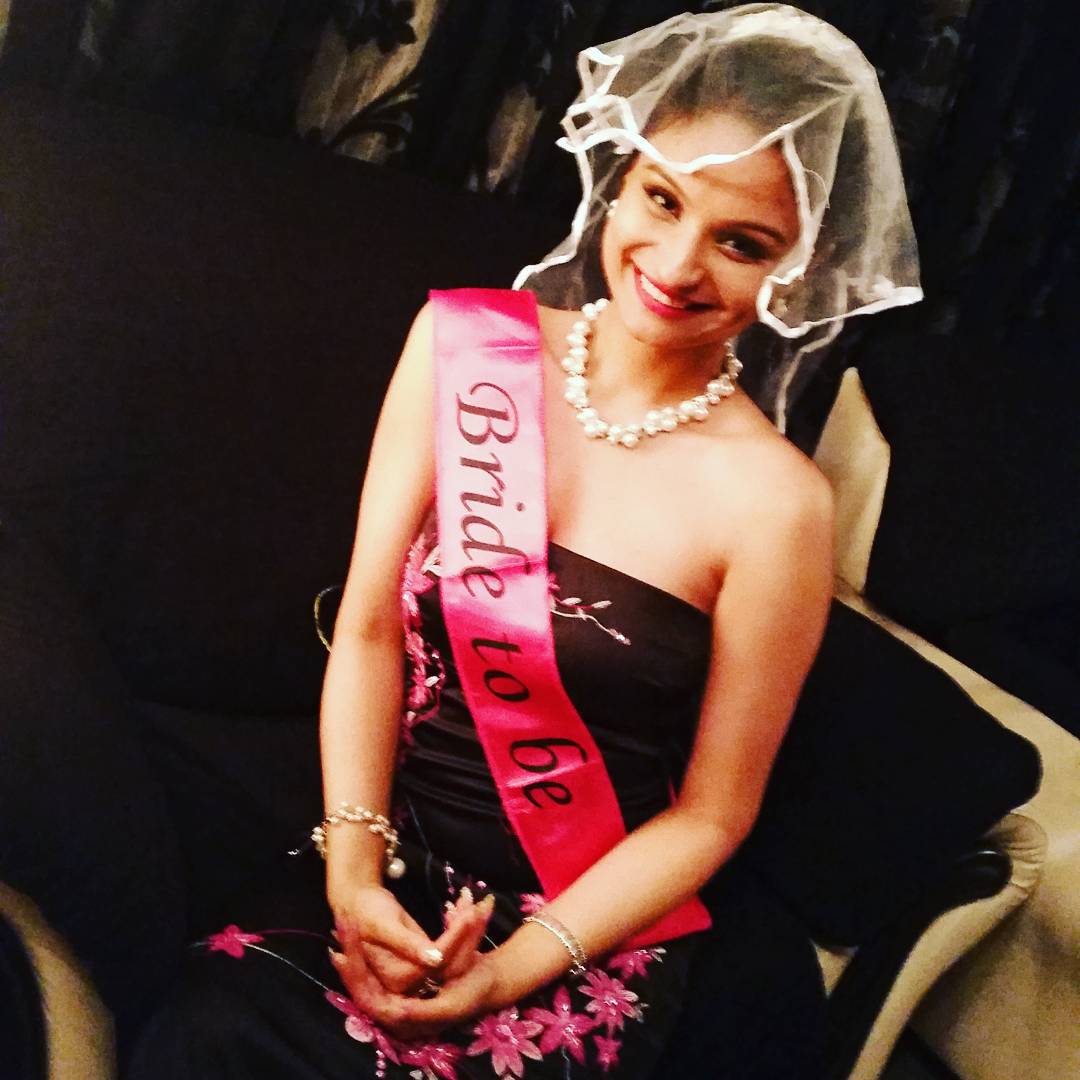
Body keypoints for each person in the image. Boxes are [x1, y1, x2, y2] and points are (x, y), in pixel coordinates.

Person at [128, 6, 920, 1078]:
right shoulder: (463, 348)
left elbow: (713, 813)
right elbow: (367, 628)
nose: (678, 263)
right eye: (663, 199)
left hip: (580, 925)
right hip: (380, 854)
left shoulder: (780, 505)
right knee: (209, 1041)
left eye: (742, 243)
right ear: (620, 175)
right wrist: (352, 875)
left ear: (802, 267)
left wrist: (510, 973)